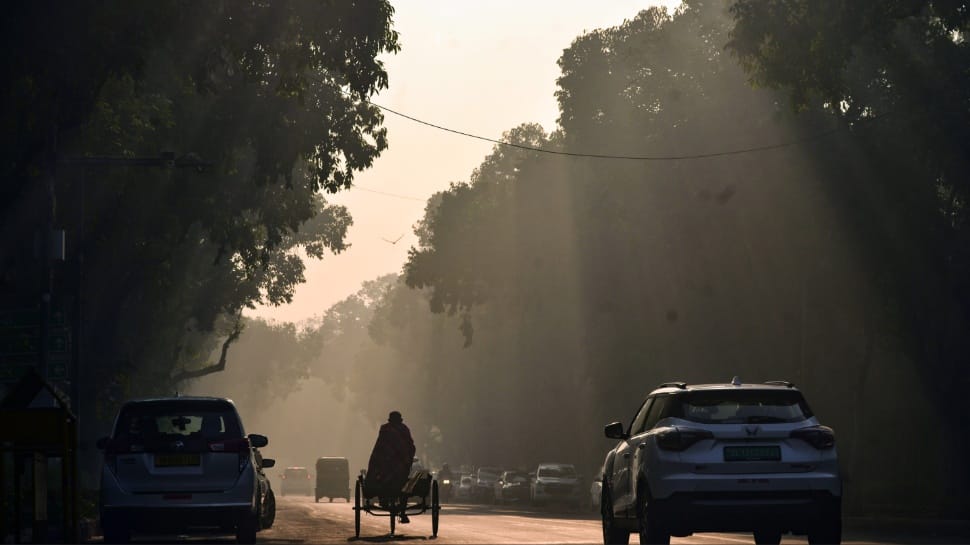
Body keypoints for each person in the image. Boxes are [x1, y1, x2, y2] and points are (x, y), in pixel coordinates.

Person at [366, 410, 416, 523]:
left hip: (386, 464)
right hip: (400, 465)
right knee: (403, 486)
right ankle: (402, 512)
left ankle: (383, 499)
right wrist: (408, 458)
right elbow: (410, 446)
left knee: (382, 478)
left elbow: (380, 446)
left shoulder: (385, 429)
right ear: (400, 420)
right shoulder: (403, 429)